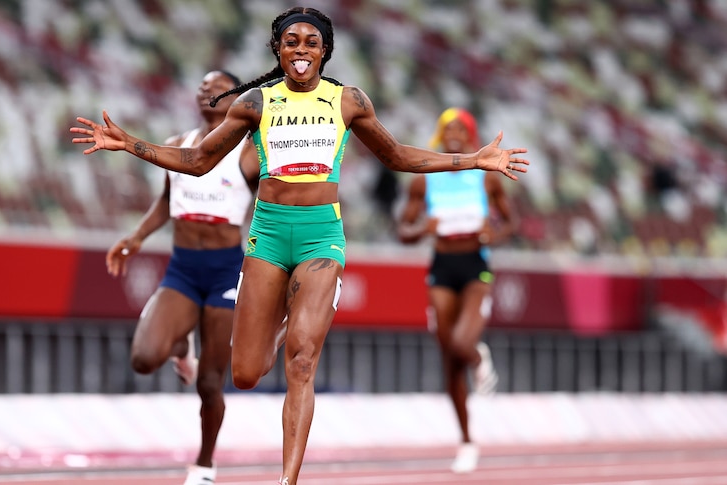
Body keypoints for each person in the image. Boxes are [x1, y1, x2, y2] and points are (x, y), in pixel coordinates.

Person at [71, 7, 529, 484]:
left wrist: (473, 160)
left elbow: (398, 155)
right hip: (268, 235)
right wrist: (131, 144)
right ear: (278, 49)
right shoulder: (254, 103)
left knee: (303, 362)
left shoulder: (348, 100)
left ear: (325, 51)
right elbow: (197, 160)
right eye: (292, 42)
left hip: (320, 235)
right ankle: (283, 321)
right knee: (246, 373)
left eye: (312, 42)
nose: (302, 50)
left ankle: (287, 479)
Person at [104, 70, 259, 485]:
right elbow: (166, 201)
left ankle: (205, 463)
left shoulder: (249, 153)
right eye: (201, 87)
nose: (206, 91)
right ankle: (179, 339)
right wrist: (136, 237)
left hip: (226, 270)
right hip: (184, 268)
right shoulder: (178, 145)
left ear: (237, 99)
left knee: (210, 382)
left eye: (216, 87)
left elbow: (279, 201)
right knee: (143, 358)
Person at [397, 107, 518, 473]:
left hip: (475, 267)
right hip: (442, 267)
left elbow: (511, 223)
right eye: (445, 128)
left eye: (459, 129)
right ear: (439, 134)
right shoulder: (426, 177)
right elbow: (404, 231)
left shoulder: (486, 177)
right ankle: (466, 440)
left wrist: (491, 236)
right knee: (449, 359)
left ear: (469, 135)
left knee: (463, 345)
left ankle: (479, 358)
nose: (452, 134)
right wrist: (423, 230)